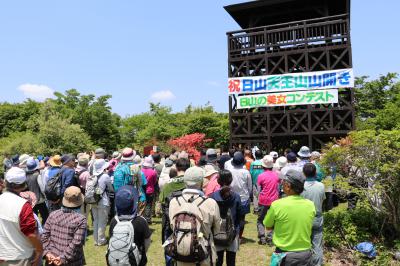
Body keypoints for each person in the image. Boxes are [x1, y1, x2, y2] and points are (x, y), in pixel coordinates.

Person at [168, 166, 221, 266]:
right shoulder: (210, 203)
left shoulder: (174, 202)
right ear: (202, 182)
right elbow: (217, 230)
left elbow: (172, 226)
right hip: (203, 255)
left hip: (180, 254)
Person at [264, 169, 316, 266]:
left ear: (288, 186)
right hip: (305, 255)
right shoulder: (310, 205)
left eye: (283, 182)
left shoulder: (277, 205)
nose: (281, 184)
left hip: (285, 256)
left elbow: (268, 226)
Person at [0, 167, 43, 266]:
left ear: (5, 182)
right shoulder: (23, 205)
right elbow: (31, 234)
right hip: (20, 257)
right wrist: (39, 250)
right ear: (23, 185)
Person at [42, 186, 87, 266]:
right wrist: (63, 257)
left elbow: (44, 236)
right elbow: (76, 243)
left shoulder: (53, 214)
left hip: (51, 259)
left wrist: (47, 253)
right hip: (71, 261)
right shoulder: (80, 219)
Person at [109, 186, 152, 266]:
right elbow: (147, 242)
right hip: (136, 261)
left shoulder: (113, 221)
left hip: (116, 260)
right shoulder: (141, 221)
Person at [159, 158, 190, 266]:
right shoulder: (191, 183)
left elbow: (161, 201)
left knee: (169, 246)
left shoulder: (168, 184)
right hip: (189, 220)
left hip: (170, 221)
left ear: (176, 168)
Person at [209, 170, 242, 266]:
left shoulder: (212, 197)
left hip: (216, 233)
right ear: (231, 180)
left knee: (217, 261)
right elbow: (240, 217)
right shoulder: (236, 197)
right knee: (231, 261)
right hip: (232, 232)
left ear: (218, 181)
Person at [301, 163, 326, 266]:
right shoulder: (321, 185)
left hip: (303, 219)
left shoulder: (300, 187)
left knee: (303, 245)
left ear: (303, 173)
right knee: (317, 246)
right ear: (315, 172)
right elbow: (323, 201)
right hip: (317, 218)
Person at [257, 155, 280, 245]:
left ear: (263, 166)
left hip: (263, 200)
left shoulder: (261, 176)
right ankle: (270, 238)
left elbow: (258, 190)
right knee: (273, 220)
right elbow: (278, 187)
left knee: (261, 219)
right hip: (274, 200)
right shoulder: (276, 175)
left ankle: (262, 237)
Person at [229, 152, 252, 241]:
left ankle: (232, 234)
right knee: (242, 219)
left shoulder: (230, 171)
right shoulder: (246, 172)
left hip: (232, 197)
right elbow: (249, 186)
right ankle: (239, 237)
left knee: (232, 217)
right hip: (244, 198)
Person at [90, 159, 113, 246]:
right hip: (103, 201)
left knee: (96, 220)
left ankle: (96, 240)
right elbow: (111, 189)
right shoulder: (105, 176)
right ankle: (101, 240)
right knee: (102, 221)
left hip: (93, 200)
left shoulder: (92, 176)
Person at [25, 158, 49, 225]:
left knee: (35, 217)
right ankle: (44, 229)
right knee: (45, 216)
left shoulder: (26, 176)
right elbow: (42, 188)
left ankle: (38, 229)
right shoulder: (37, 175)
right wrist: (45, 196)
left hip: (31, 200)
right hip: (40, 199)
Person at [141, 156, 157, 224]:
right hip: (150, 190)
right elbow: (155, 182)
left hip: (142, 189)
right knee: (148, 205)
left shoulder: (140, 170)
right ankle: (147, 219)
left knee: (142, 204)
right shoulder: (153, 172)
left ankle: (141, 218)